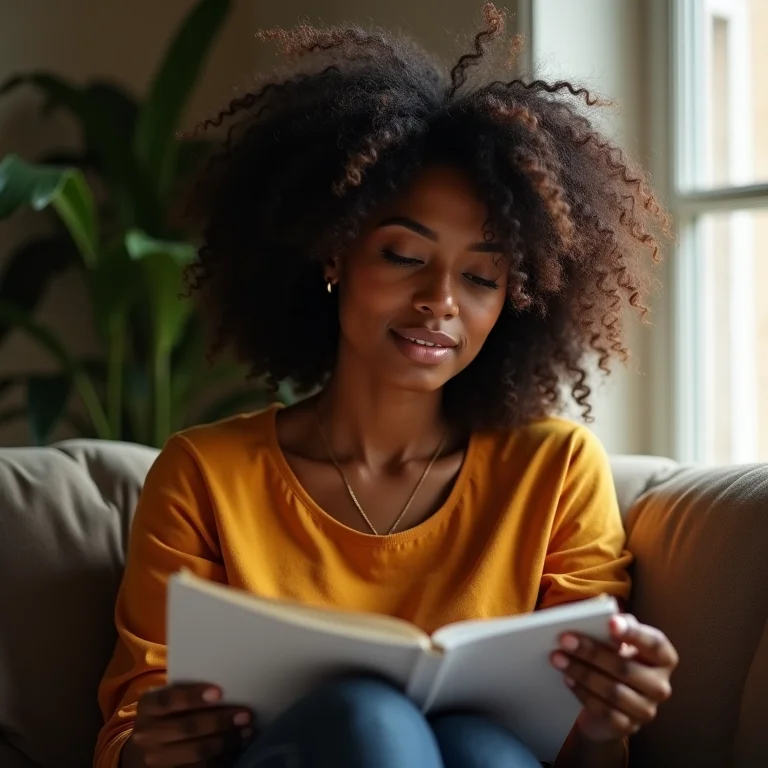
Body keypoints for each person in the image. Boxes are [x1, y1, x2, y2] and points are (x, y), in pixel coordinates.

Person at [95, 5, 679, 767]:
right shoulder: (205, 476)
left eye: (480, 276)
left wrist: (608, 721)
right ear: (335, 255)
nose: (442, 300)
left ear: (516, 299)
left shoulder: (554, 471)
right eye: (405, 256)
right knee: (369, 721)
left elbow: (574, 756)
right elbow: (129, 734)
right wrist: (155, 744)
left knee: (484, 749)